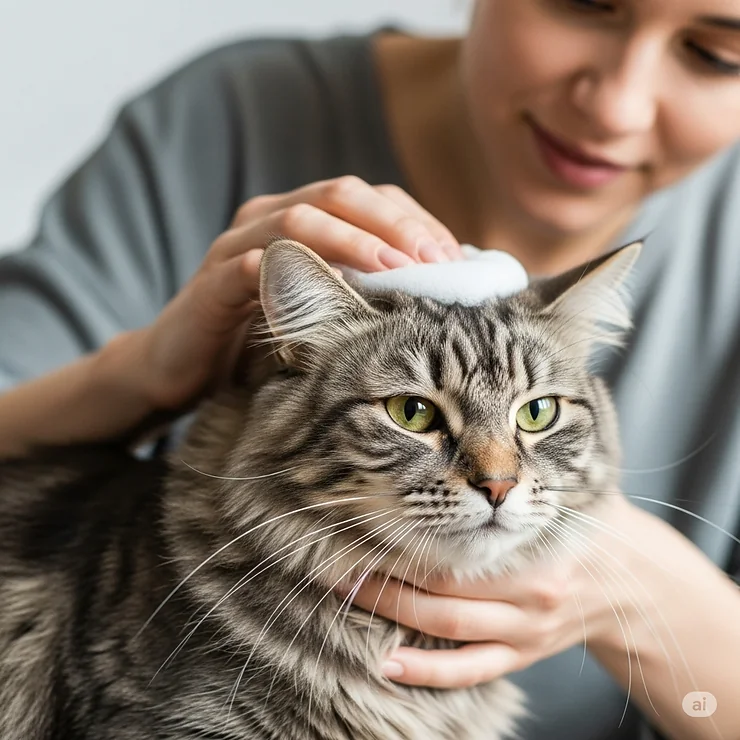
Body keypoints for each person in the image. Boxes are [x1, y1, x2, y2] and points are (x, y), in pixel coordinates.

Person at [1, 0, 740, 737]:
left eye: (716, 53)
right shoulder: (229, 114)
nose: (494, 475)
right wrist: (136, 375)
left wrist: (644, 598)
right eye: (584, 4)